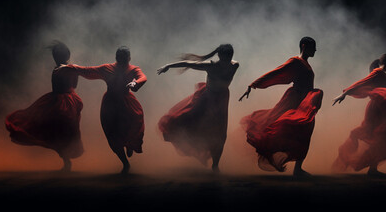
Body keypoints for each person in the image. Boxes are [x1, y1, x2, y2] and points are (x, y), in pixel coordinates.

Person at [239, 37, 323, 176]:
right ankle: (284, 161)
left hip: (305, 103)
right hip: (295, 100)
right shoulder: (296, 61)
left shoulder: (305, 63)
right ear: (304, 46)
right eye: (312, 47)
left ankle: (297, 169)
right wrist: (254, 84)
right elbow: (277, 72)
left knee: (305, 132)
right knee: (287, 127)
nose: (315, 50)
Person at [64, 46, 146, 174]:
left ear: (129, 58)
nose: (123, 61)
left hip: (126, 103)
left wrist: (135, 83)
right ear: (117, 58)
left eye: (125, 59)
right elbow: (87, 70)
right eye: (120, 58)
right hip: (110, 104)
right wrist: (70, 67)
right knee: (112, 133)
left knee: (132, 125)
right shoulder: (107, 68)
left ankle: (130, 144)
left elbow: (142, 77)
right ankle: (125, 163)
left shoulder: (133, 69)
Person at [157, 44, 239, 173]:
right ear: (219, 56)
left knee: (220, 134)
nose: (227, 61)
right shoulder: (211, 66)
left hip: (222, 100)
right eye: (225, 58)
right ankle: (198, 152)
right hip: (207, 98)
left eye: (229, 58)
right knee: (192, 123)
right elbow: (189, 63)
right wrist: (168, 66)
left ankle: (215, 165)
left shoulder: (235, 65)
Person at [5, 41, 84, 171]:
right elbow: (74, 86)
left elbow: (58, 87)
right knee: (61, 131)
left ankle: (66, 158)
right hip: (68, 100)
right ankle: (66, 158)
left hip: (61, 100)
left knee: (58, 131)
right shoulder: (71, 70)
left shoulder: (58, 69)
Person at [332, 54, 386, 176]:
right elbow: (361, 83)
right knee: (380, 136)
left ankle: (372, 168)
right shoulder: (377, 73)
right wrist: (345, 93)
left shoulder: (381, 75)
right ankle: (366, 166)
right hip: (377, 110)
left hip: (383, 110)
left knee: (381, 138)